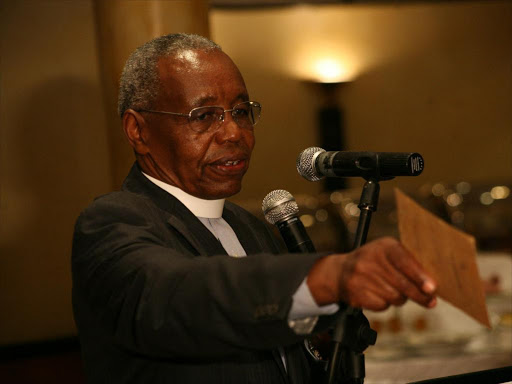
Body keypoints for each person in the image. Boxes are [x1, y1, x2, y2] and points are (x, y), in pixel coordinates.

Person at [72, 33, 437, 384]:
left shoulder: (251, 227)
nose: (233, 132)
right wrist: (327, 276)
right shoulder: (111, 222)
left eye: (241, 111)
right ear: (138, 130)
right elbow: (181, 296)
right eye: (203, 115)